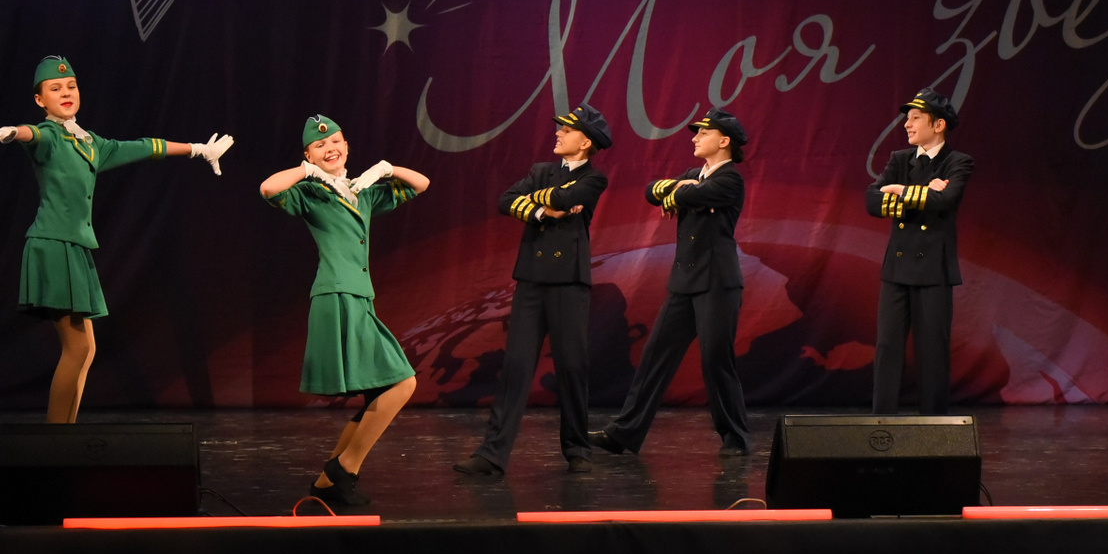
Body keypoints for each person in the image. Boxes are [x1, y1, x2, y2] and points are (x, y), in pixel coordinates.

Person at [0, 55, 232, 423]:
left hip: (75, 247)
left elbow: (144, 147)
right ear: (40, 100)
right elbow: (31, 134)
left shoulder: (90, 143)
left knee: (87, 349)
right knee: (76, 348)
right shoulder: (49, 136)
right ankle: (54, 438)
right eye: (55, 88)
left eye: (71, 86)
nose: (66, 92)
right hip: (53, 245)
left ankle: (64, 433)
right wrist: (11, 133)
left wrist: (198, 149)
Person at [259, 114, 430, 507]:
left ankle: (327, 482)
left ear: (347, 146)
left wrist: (387, 168)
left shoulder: (363, 192)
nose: (330, 148)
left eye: (336, 141)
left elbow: (421, 184)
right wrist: (306, 173)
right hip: (337, 295)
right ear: (308, 155)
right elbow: (269, 188)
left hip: (359, 296)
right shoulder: (310, 193)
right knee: (403, 383)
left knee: (381, 393)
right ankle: (345, 467)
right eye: (319, 146)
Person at [456, 105, 613, 477]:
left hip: (568, 281)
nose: (558, 133)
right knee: (516, 365)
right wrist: (541, 211)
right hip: (531, 279)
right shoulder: (541, 171)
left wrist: (537, 200)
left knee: (571, 366)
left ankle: (577, 448)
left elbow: (561, 200)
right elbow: (505, 200)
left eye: (567, 130)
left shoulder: (594, 179)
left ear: (585, 141)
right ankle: (492, 453)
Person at [589, 109, 751, 458]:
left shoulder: (730, 180)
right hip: (684, 281)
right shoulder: (694, 175)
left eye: (703, 133)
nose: (695, 138)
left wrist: (681, 192)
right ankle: (624, 434)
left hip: (717, 282)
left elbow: (691, 196)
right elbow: (652, 191)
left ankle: (735, 437)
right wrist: (681, 187)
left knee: (715, 360)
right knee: (655, 356)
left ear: (724, 141)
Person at [868, 88, 973, 414]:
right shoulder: (900, 159)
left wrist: (902, 191)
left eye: (915, 118)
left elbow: (946, 200)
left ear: (938, 124)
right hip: (897, 269)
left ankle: (934, 424)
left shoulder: (957, 162)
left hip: (933, 270)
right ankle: (882, 422)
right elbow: (872, 200)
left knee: (932, 350)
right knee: (887, 347)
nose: (907, 125)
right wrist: (923, 193)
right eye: (908, 118)